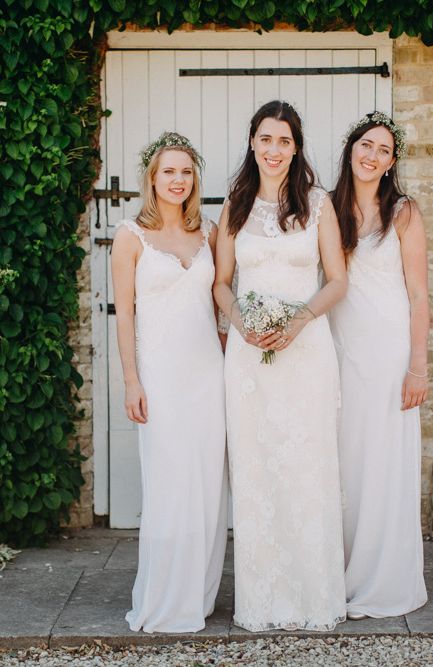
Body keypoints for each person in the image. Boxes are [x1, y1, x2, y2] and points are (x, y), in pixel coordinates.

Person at [213, 101, 348, 631]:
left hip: (307, 352)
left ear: (296, 148)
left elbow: (337, 279)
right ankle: (263, 601)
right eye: (266, 139)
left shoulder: (317, 204)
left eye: (284, 141)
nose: (274, 150)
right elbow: (222, 283)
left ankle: (312, 598)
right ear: (253, 143)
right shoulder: (235, 206)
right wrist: (240, 323)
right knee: (257, 472)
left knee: (305, 470)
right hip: (249, 360)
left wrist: (299, 319)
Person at [111, 132, 228, 633]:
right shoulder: (129, 236)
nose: (177, 180)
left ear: (194, 179)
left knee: (206, 485)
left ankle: (197, 596)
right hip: (159, 375)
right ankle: (165, 597)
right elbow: (124, 317)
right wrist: (132, 380)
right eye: (168, 172)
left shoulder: (212, 233)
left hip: (207, 374)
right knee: (168, 486)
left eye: (186, 172)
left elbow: (223, 295)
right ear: (152, 179)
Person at [330, 111, 429, 619]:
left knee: (383, 464)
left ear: (392, 164)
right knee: (345, 464)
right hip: (340, 353)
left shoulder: (404, 213)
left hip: (389, 354)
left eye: (383, 151)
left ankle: (383, 577)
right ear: (351, 150)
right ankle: (340, 572)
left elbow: (418, 293)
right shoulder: (326, 208)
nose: (372, 156)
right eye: (366, 145)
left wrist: (419, 366)